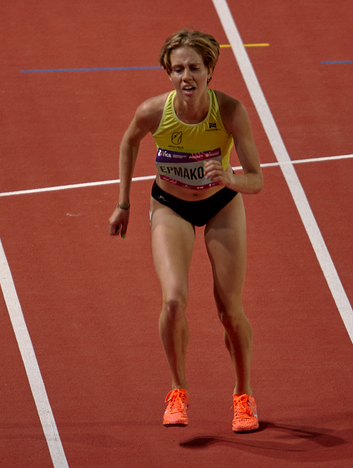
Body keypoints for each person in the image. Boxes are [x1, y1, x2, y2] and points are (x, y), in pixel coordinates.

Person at [108, 28, 263, 432]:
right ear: (168, 72)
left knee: (229, 312)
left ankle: (243, 395)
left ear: (210, 69)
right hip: (170, 205)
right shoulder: (153, 111)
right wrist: (123, 204)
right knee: (174, 300)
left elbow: (257, 179)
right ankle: (178, 389)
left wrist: (230, 178)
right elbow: (129, 143)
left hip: (221, 205)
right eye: (177, 69)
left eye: (194, 67)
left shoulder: (230, 111)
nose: (186, 76)